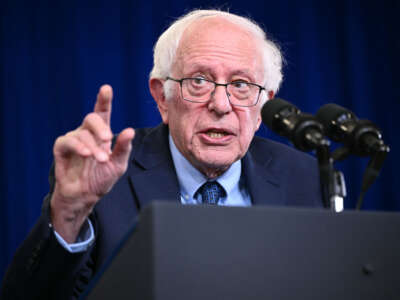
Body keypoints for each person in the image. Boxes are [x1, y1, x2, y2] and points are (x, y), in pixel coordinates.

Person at [0, 9, 321, 300]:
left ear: (263, 105)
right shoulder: (104, 177)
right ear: (162, 97)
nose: (221, 105)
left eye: (241, 84)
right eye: (199, 80)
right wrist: (69, 214)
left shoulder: (303, 178)